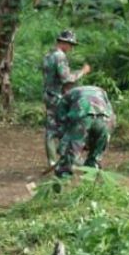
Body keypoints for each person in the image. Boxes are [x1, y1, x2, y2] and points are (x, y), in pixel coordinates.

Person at [41, 30, 90, 166]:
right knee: (70, 125)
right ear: (64, 43)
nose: (71, 48)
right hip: (58, 97)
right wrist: (82, 72)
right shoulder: (60, 56)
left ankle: (52, 161)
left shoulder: (48, 55)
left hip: (48, 95)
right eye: (71, 45)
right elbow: (66, 79)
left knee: (51, 128)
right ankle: (72, 158)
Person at [54, 84, 115, 178]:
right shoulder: (101, 91)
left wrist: (65, 142)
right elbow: (112, 116)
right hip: (104, 118)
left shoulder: (66, 97)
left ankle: (64, 173)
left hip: (83, 117)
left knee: (72, 149)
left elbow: (61, 122)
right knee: (97, 151)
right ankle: (92, 171)